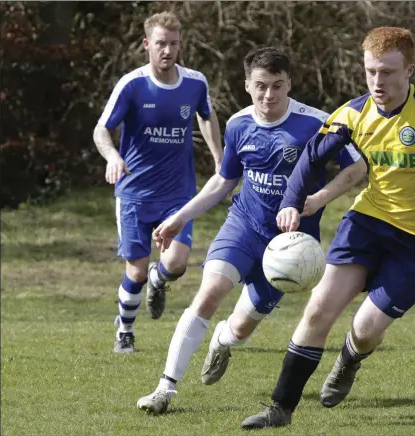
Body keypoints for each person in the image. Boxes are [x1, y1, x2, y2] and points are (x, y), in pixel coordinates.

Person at [241, 26, 415, 429]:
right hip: (369, 222)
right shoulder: (353, 114)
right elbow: (311, 158)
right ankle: (279, 409)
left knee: (366, 328)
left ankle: (349, 358)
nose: (378, 82)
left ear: (410, 69)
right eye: (371, 71)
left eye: (389, 72)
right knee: (318, 310)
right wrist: (292, 203)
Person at [136, 46, 367, 414]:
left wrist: (319, 199)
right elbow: (224, 181)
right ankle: (165, 389)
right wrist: (180, 217)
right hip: (243, 226)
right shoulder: (239, 124)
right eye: (261, 86)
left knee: (241, 329)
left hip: (289, 248)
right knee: (208, 294)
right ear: (247, 85)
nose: (269, 95)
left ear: (289, 83)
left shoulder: (316, 124)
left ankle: (223, 341)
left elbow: (356, 169)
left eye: (277, 85)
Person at [93, 11, 223, 353]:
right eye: (161, 44)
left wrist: (220, 161)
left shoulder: (195, 82)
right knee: (134, 272)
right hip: (135, 193)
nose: (168, 50)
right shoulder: (132, 84)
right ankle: (125, 329)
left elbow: (207, 117)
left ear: (181, 45)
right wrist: (112, 157)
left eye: (174, 44)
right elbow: (101, 129)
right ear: (147, 44)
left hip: (178, 193)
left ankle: (159, 280)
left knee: (176, 264)